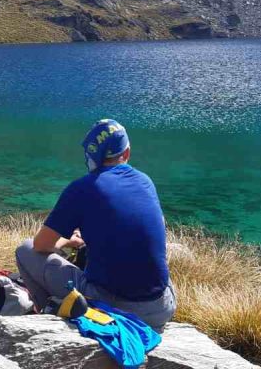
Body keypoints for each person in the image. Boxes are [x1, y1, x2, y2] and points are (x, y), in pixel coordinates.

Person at [15, 118, 177, 332]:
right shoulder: (145, 181)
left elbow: (41, 245)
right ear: (126, 153)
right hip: (162, 306)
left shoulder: (82, 189)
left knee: (24, 250)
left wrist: (67, 241)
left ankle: (51, 313)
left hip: (113, 310)